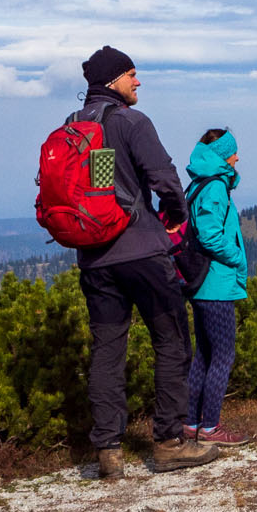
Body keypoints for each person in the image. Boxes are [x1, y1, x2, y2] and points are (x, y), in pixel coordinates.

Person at [71, 46, 221, 478]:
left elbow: (102, 185)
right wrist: (175, 214)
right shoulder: (131, 122)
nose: (138, 82)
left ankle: (108, 452)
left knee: (107, 349)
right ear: (114, 80)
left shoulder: (78, 126)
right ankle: (169, 443)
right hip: (139, 251)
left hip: (96, 258)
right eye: (132, 75)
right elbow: (163, 177)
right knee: (172, 341)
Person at [182, 128, 254, 445]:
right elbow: (210, 236)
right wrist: (237, 257)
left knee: (204, 355)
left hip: (202, 284)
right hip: (216, 284)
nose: (238, 157)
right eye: (234, 152)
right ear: (223, 154)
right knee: (223, 355)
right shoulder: (215, 188)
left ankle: (190, 423)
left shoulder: (200, 182)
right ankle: (210, 427)